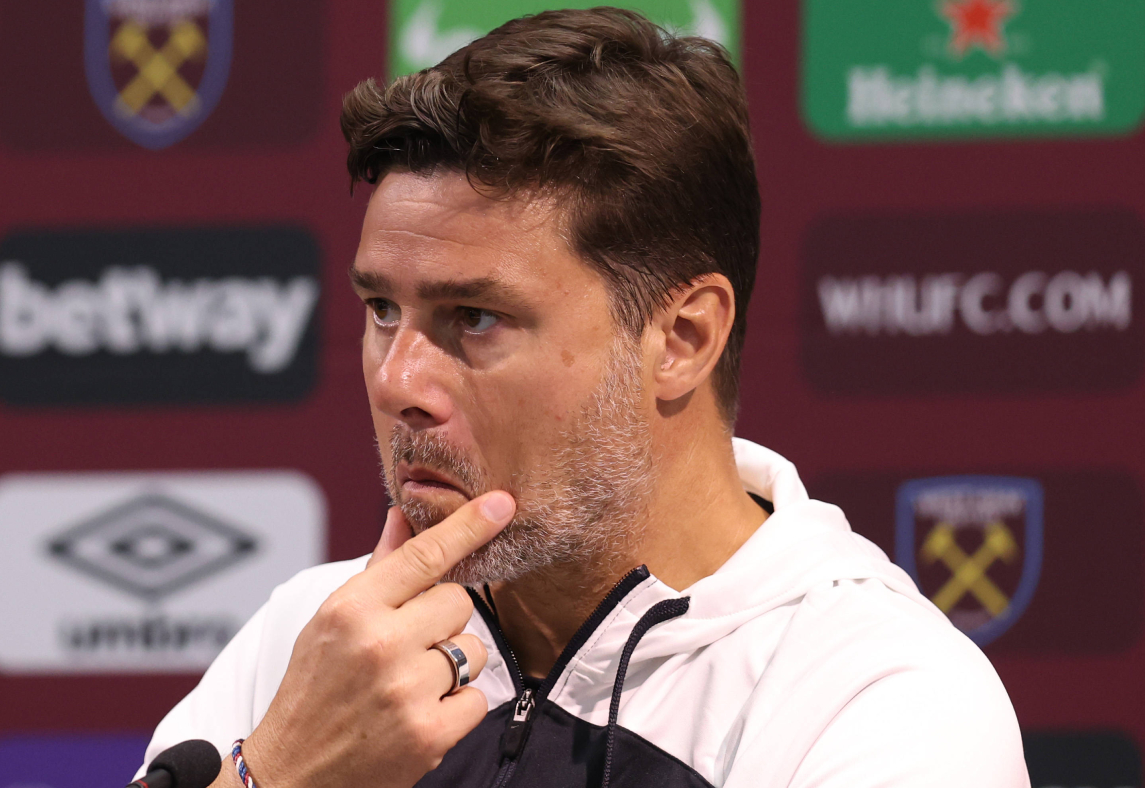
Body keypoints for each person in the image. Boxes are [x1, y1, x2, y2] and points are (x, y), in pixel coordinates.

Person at [138, 8, 1029, 787]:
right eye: (382, 310)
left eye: (475, 318)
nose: (397, 381)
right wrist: (275, 772)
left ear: (683, 339)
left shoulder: (878, 694)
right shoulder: (321, 643)